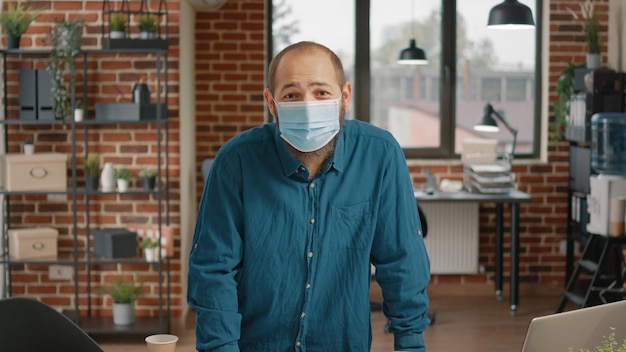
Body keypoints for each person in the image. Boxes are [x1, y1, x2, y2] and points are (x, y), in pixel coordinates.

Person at [188, 41, 431, 352]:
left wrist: (410, 343)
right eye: (290, 95)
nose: (306, 105)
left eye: (321, 93)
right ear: (271, 102)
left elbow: (401, 261)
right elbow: (213, 269)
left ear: (344, 97)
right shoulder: (236, 161)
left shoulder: (380, 154)